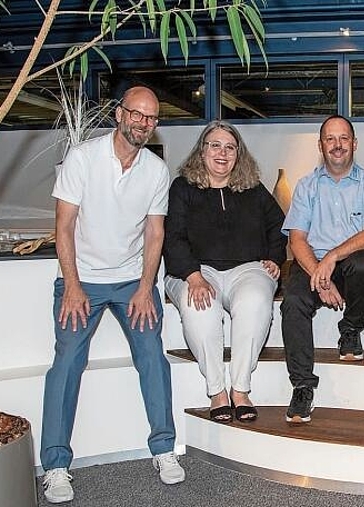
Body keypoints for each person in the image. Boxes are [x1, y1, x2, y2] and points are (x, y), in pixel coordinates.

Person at [40, 86, 185, 504]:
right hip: (80, 278)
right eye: (137, 114)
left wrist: (145, 288)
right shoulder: (83, 158)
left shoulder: (155, 171)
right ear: (120, 114)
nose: (143, 122)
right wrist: (71, 285)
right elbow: (63, 226)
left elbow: (155, 232)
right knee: (66, 360)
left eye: (152, 117)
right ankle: (55, 465)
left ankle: (163, 449)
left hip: (130, 281)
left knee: (152, 355)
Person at [163, 120, 286, 425]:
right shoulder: (182, 188)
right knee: (199, 306)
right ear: (201, 151)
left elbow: (279, 226)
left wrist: (274, 257)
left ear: (239, 154)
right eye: (215, 145)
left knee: (256, 300)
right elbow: (172, 236)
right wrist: (193, 276)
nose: (222, 152)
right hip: (195, 270)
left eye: (230, 147)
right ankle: (217, 391)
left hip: (247, 268)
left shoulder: (253, 190)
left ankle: (240, 389)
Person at [280, 115, 364, 423]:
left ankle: (350, 328)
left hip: (350, 261)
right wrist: (319, 274)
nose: (337, 145)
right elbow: (297, 239)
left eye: (343, 138)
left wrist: (333, 257)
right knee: (294, 302)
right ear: (321, 145)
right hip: (312, 262)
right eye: (330, 139)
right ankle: (302, 386)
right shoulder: (307, 186)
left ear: (354, 143)